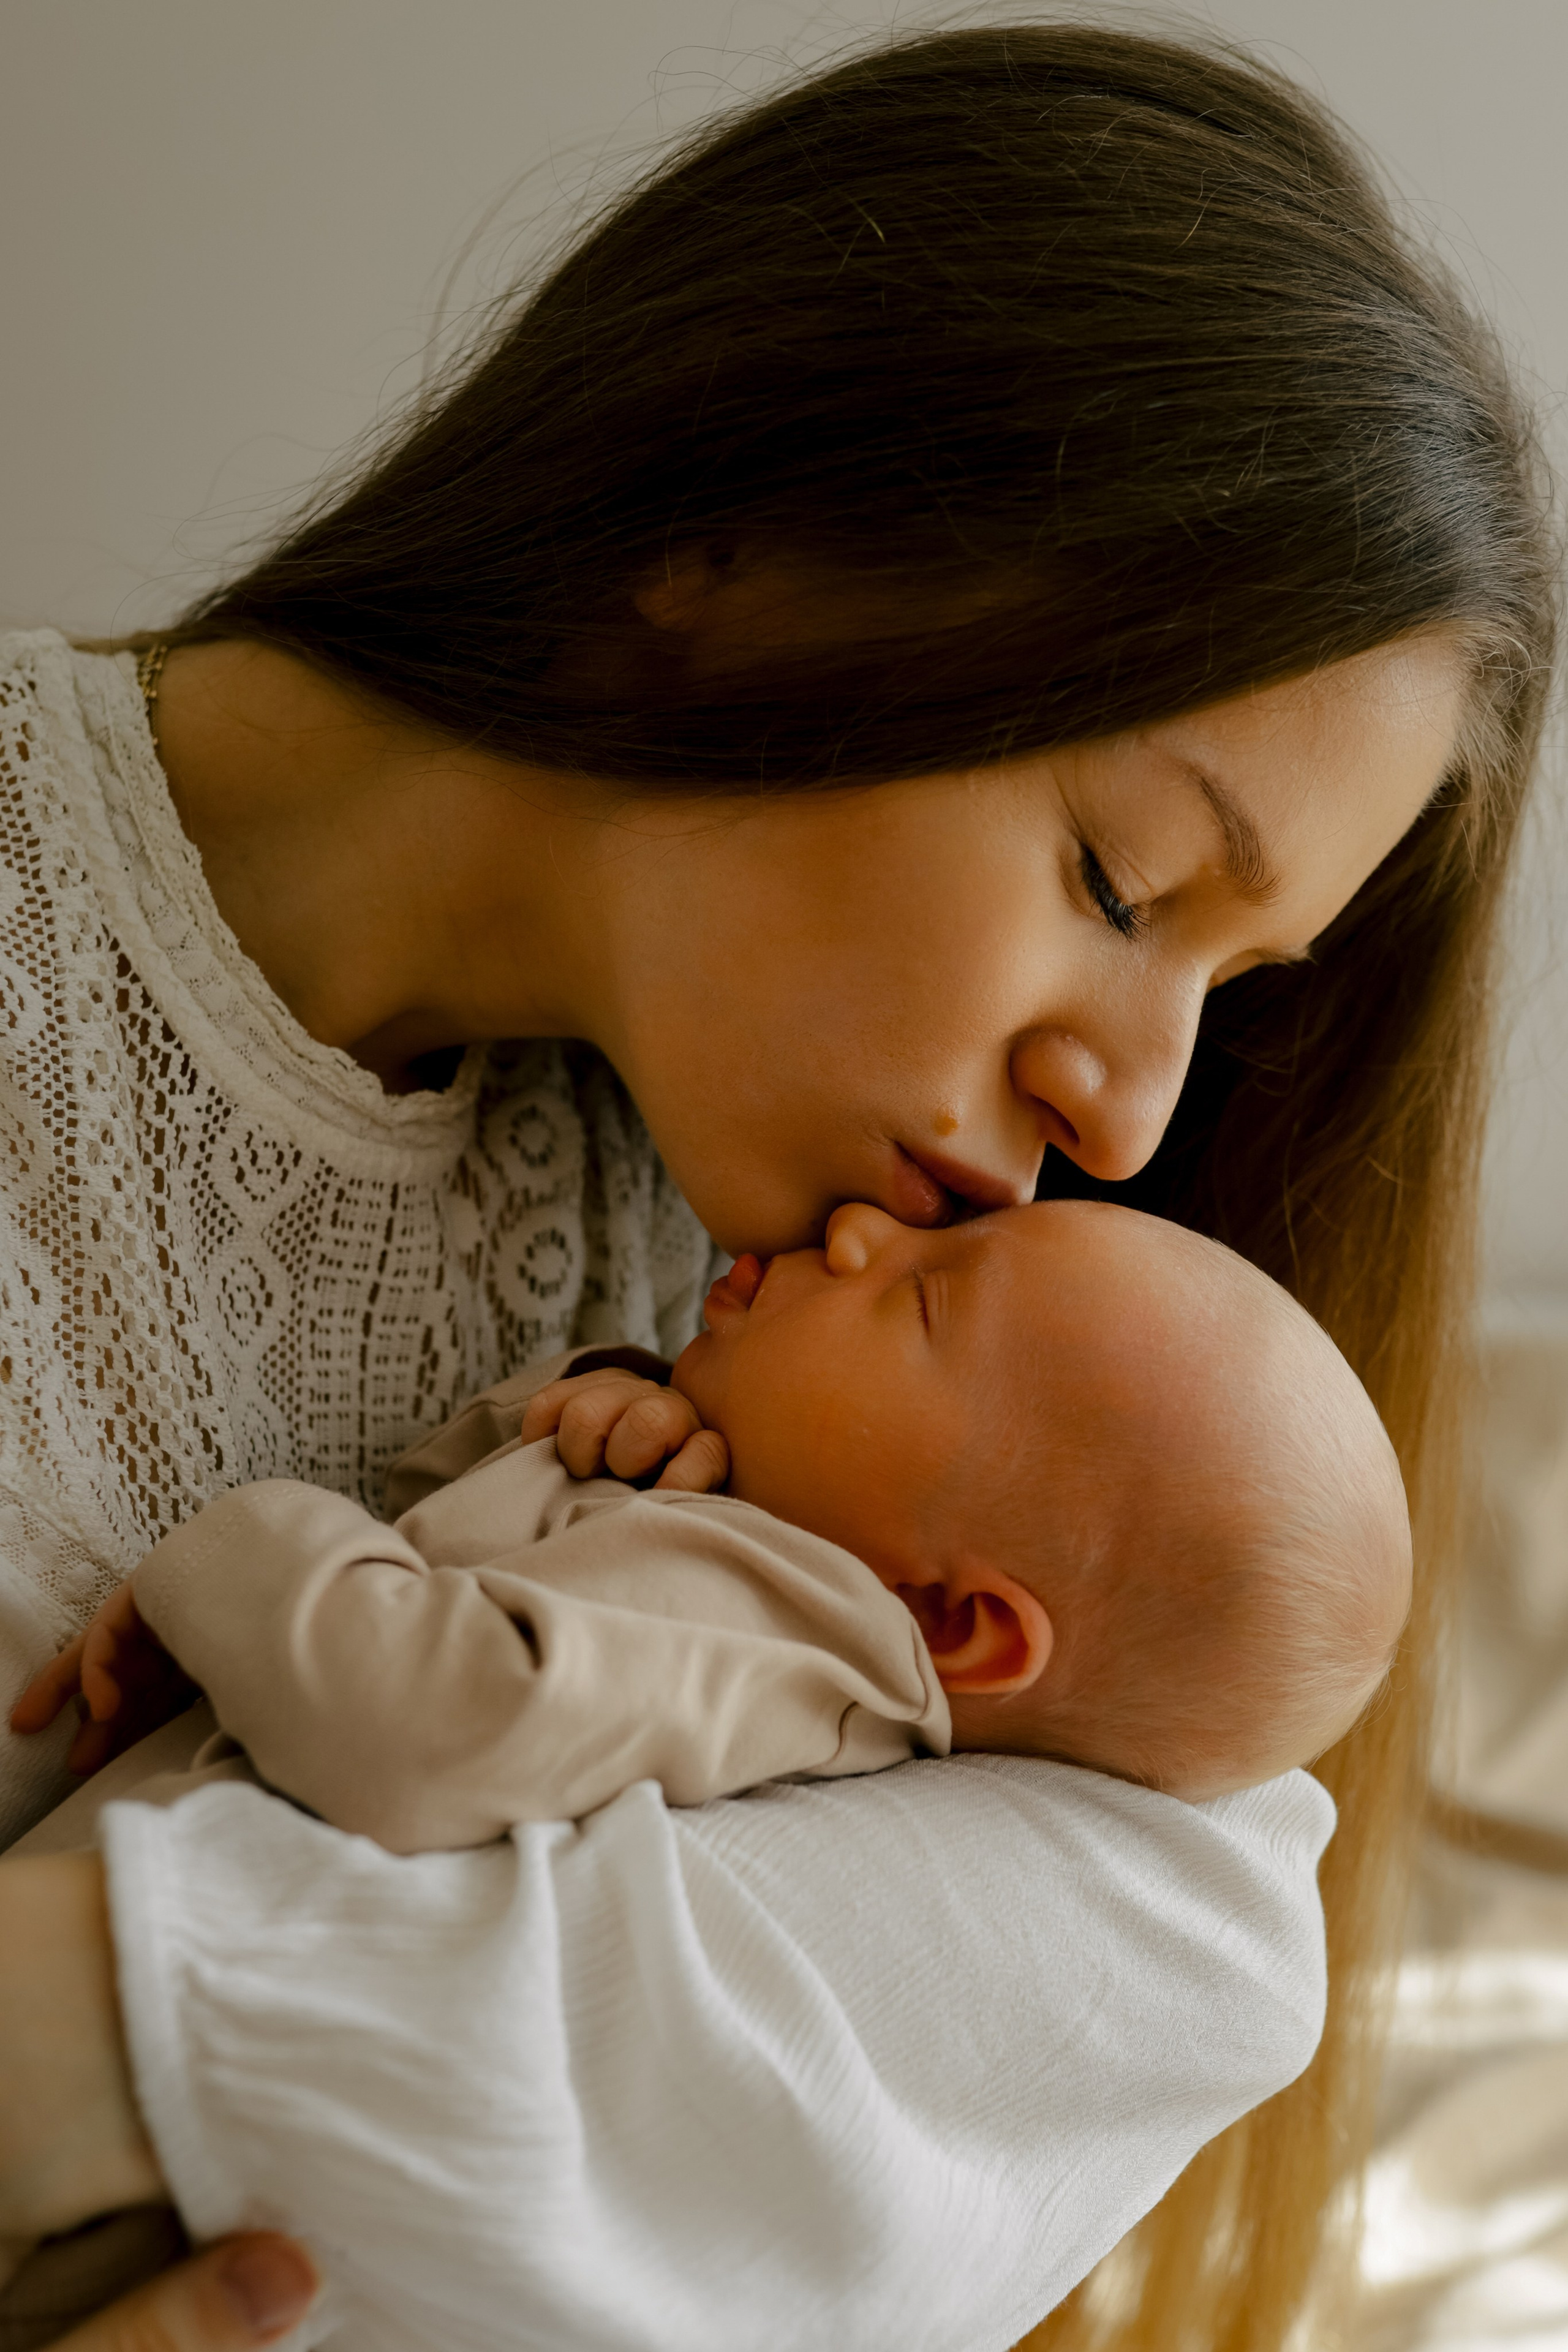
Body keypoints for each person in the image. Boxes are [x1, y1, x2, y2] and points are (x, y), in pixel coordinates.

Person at [0, 23, 1553, 2351]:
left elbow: (1204, 1920)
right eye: (1126, 886)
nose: (1132, 1120)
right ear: (734, 538)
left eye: (1240, 985)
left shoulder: (820, 1362)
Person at [17, 1200, 1411, 1852]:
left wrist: (235, 1550)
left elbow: (424, 1719)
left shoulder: (793, 1629)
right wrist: (584, 1419)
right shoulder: (738, 1551)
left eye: (926, 1297)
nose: (865, 1231)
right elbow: (417, 1514)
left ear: (946, 1619)